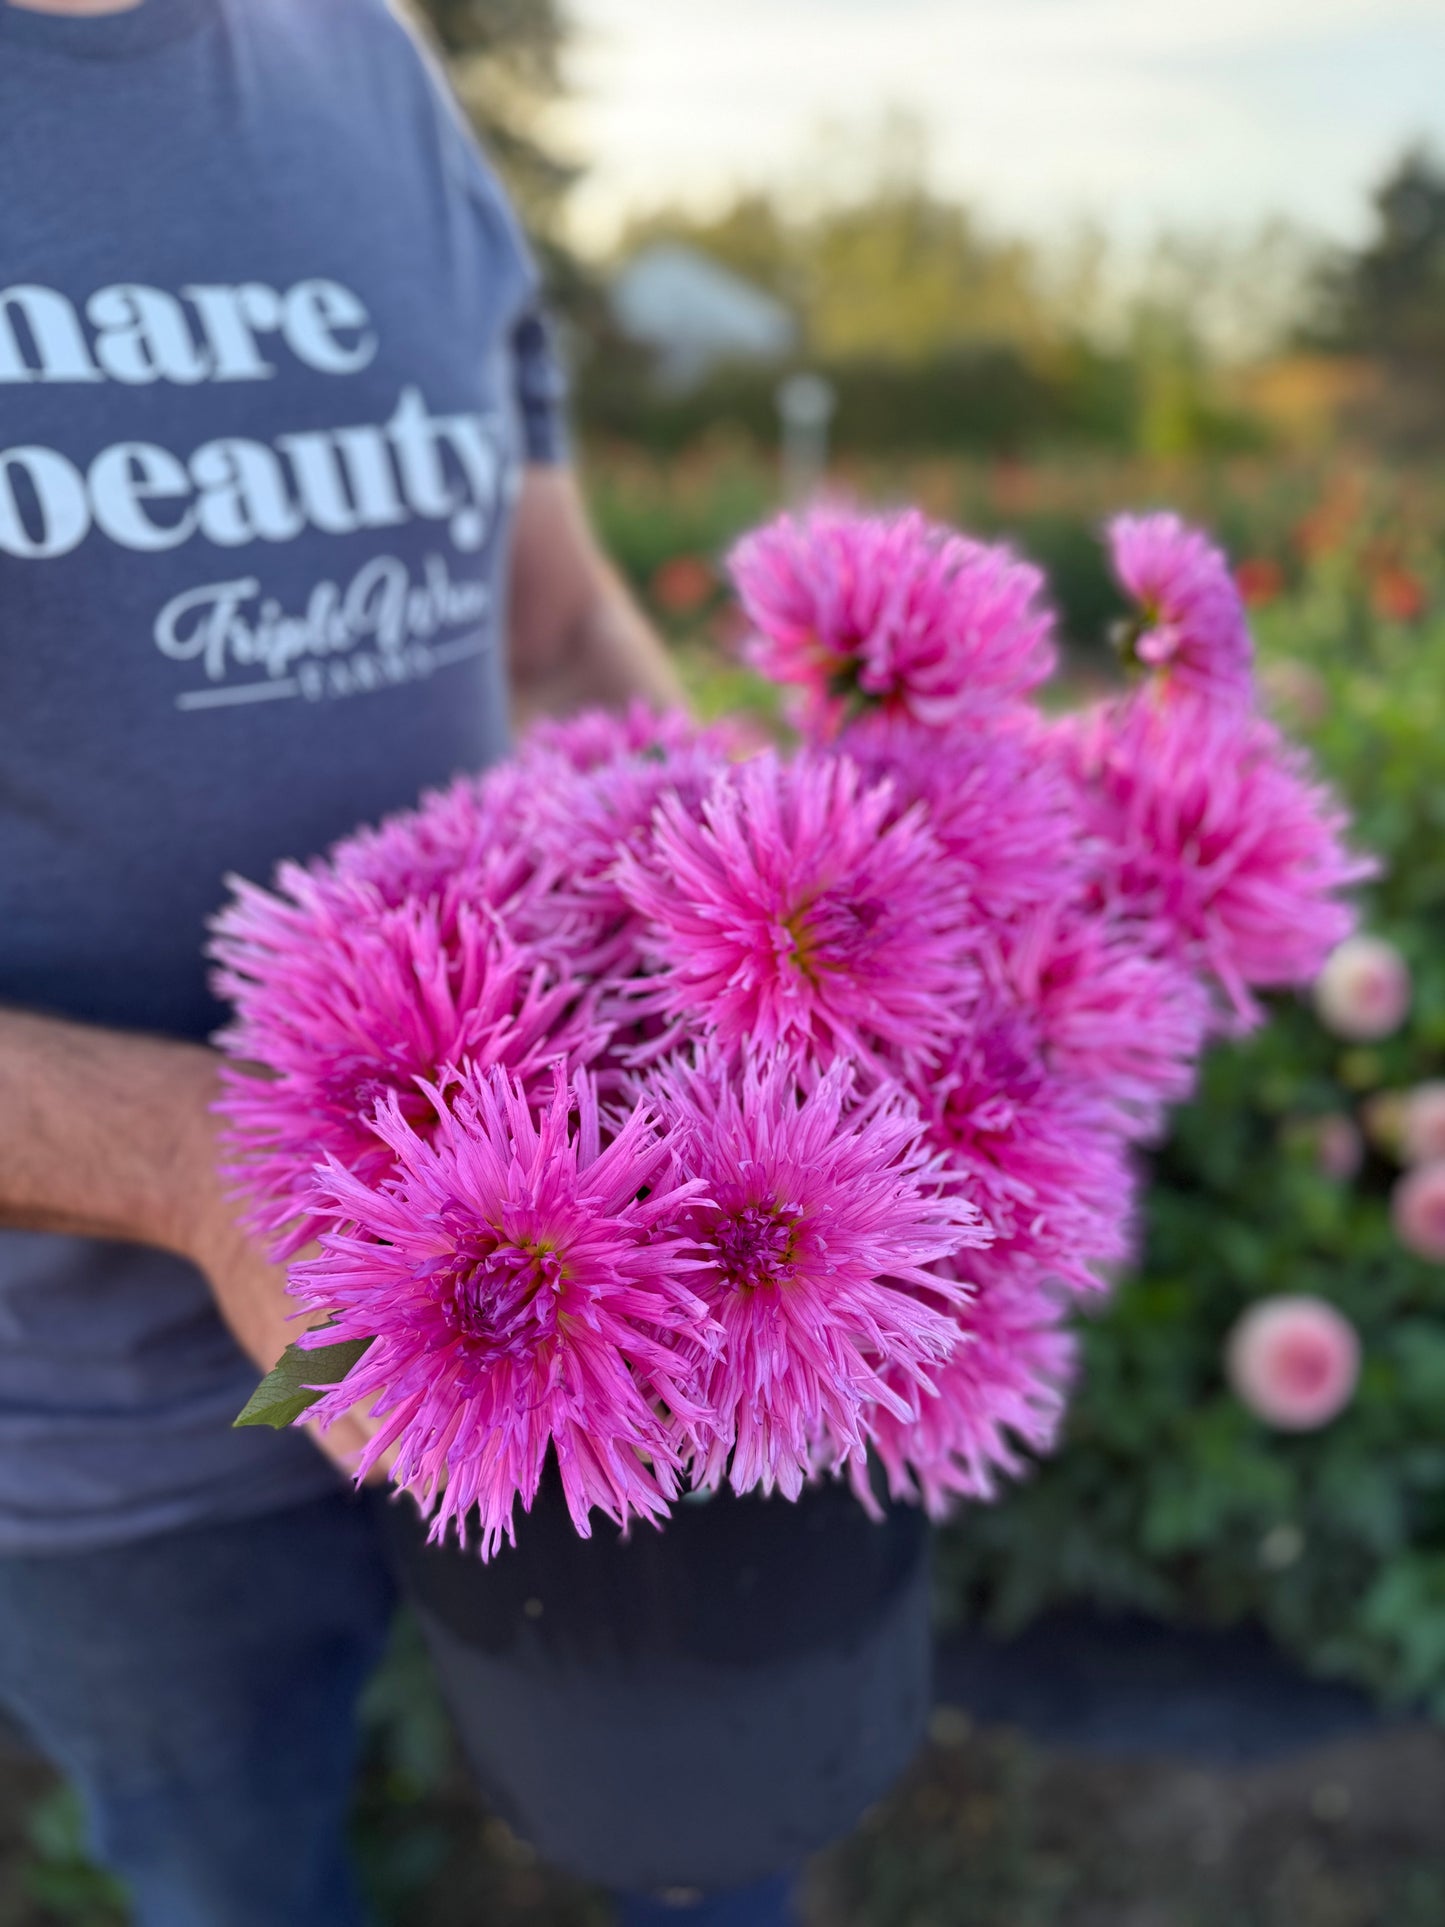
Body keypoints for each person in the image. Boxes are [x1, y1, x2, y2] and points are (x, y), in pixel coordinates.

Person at [0, 0, 791, 1918]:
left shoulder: (363, 54)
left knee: (719, 1831)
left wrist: (776, 913)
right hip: (108, 1436)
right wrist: (195, 1162)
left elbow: (560, 612)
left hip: (585, 1303)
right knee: (235, 1874)